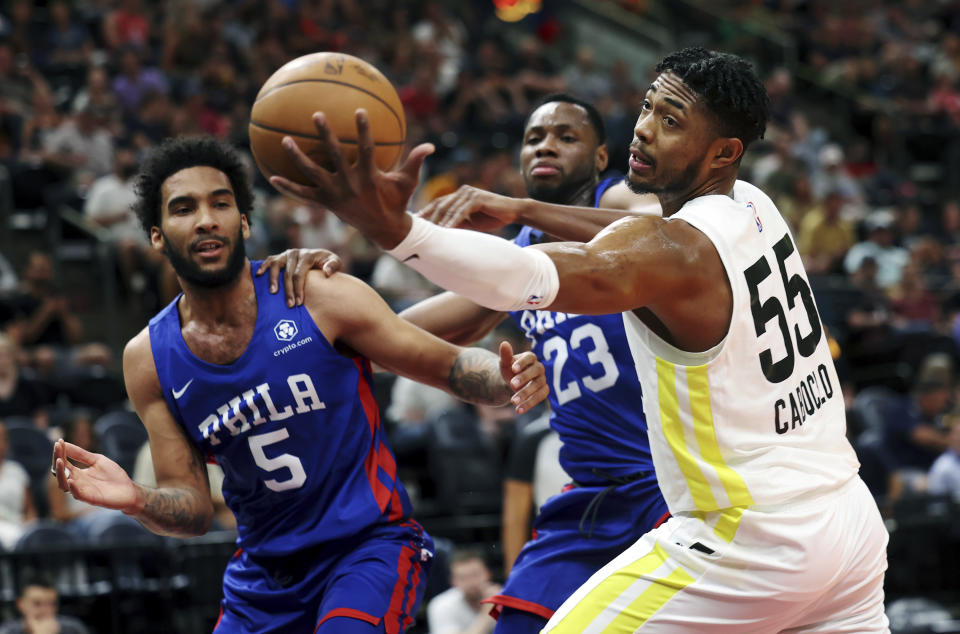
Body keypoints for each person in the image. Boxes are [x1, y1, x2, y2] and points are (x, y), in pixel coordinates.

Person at [271, 46, 889, 631]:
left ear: (723, 151)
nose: (644, 128)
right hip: (846, 518)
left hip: (748, 532)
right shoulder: (752, 204)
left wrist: (397, 230)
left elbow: (547, 270)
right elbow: (440, 314)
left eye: (670, 120)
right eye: (648, 106)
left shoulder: (664, 244)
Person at [50, 137, 547, 634]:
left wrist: (507, 378)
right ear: (157, 236)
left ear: (244, 222)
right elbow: (195, 508)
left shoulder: (315, 293)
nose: (206, 219)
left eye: (220, 203)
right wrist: (137, 498)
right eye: (184, 208)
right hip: (264, 576)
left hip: (367, 549)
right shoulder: (147, 360)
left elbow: (447, 365)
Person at [262, 94, 669, 634]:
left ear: (599, 158)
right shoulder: (518, 260)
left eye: (566, 137)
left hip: (669, 485)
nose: (546, 144)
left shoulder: (618, 198)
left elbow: (655, 224)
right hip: (592, 496)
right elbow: (394, 334)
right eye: (534, 137)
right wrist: (324, 297)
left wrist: (518, 207)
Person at [426, 549, 502, 634]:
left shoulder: (504, 599)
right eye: (463, 578)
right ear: (453, 581)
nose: (471, 582)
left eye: (475, 575)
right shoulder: (441, 605)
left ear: (488, 573)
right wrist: (487, 613)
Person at [0, 575, 90, 634]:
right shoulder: (7, 631)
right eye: (37, 604)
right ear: (20, 605)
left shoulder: (73, 629)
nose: (46, 610)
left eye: (52, 603)